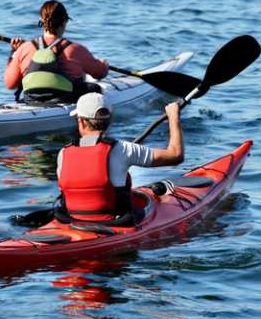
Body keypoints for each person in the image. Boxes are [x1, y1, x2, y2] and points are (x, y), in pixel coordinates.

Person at [56, 92, 184, 225]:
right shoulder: (123, 149)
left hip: (72, 222)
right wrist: (174, 117)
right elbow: (175, 155)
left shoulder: (63, 153)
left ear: (81, 121)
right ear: (109, 120)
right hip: (116, 223)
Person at [4, 0, 109, 103]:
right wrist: (104, 64)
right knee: (94, 87)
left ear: (42, 21)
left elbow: (10, 84)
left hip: (32, 101)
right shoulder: (75, 49)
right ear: (64, 22)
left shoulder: (24, 49)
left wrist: (14, 54)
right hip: (65, 100)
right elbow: (100, 73)